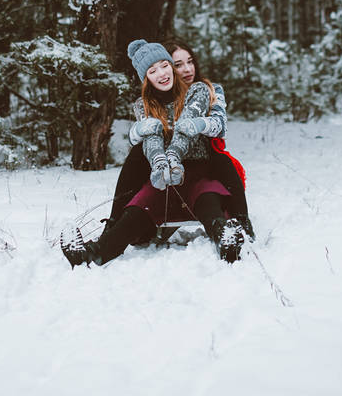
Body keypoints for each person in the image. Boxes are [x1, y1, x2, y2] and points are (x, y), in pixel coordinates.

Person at [60, 39, 249, 268]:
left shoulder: (200, 90)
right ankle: (91, 253)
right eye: (153, 70)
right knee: (138, 210)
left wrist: (181, 146)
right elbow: (151, 141)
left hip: (199, 171)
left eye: (165, 65)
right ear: (146, 77)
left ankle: (229, 239)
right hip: (165, 176)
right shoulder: (144, 104)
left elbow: (198, 125)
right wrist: (159, 159)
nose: (163, 73)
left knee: (208, 203)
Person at [103, 36, 253, 232]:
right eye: (179, 64)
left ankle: (242, 220)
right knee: (138, 153)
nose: (187, 69)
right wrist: (137, 133)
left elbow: (220, 125)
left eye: (190, 62)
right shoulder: (152, 100)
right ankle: (114, 222)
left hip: (204, 157)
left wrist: (198, 124)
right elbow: (148, 132)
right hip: (165, 161)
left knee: (220, 159)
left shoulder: (208, 89)